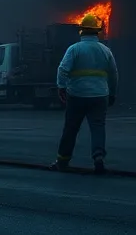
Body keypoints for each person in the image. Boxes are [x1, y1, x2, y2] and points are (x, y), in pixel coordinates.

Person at [50, 13, 118, 173]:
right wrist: (112, 93)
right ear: (97, 32)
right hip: (100, 96)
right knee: (98, 127)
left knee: (71, 128)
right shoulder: (105, 50)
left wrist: (61, 87)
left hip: (77, 96)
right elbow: (114, 73)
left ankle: (62, 162)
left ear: (82, 31)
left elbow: (62, 69)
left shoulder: (74, 49)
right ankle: (98, 158)